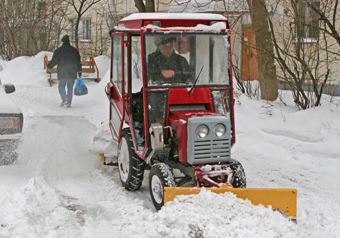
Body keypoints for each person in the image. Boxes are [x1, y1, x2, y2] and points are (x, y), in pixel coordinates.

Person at [48, 35, 82, 108]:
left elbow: (54, 60)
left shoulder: (58, 51)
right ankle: (68, 103)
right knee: (70, 87)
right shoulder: (74, 50)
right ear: (69, 42)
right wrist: (79, 70)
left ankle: (65, 98)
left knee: (61, 86)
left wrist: (49, 66)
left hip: (62, 71)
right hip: (72, 71)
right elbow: (78, 61)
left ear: (62, 42)